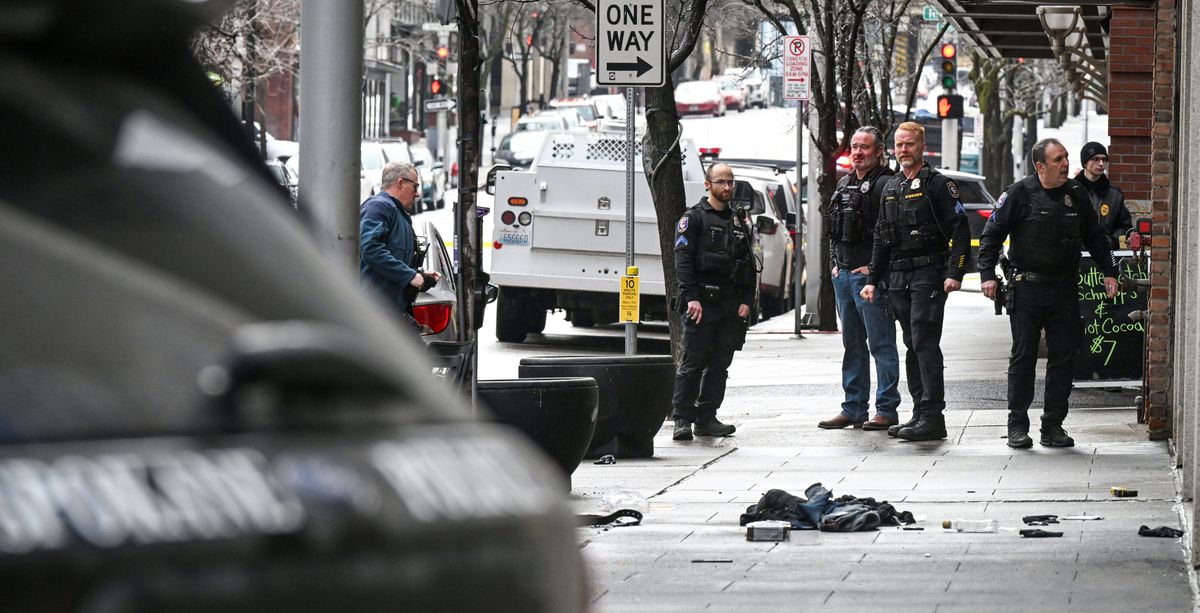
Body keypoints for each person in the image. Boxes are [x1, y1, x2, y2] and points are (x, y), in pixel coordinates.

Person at [978, 138, 1119, 448]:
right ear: (1040, 166)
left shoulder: (1076, 194)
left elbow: (1096, 237)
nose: (1066, 163)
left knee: (1063, 357)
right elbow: (991, 236)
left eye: (1066, 157)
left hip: (1064, 288)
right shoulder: (1019, 193)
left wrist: (1110, 271)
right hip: (1027, 288)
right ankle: (1017, 425)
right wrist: (987, 275)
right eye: (1058, 159)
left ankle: (1053, 425)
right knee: (1024, 357)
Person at [860, 122, 970, 442]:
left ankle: (933, 415)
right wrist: (872, 279)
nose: (903, 150)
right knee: (911, 344)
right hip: (898, 276)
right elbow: (882, 237)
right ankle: (919, 412)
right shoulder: (891, 187)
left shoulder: (938, 185)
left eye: (909, 144)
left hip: (928, 274)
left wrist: (954, 272)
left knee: (924, 341)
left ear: (922, 147)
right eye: (899, 144)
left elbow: (960, 232)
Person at [818, 126, 902, 431]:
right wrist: (834, 265)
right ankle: (853, 408)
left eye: (864, 147)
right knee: (852, 345)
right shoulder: (844, 183)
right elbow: (833, 230)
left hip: (870, 282)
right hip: (844, 277)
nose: (857, 152)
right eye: (854, 147)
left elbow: (895, 235)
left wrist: (875, 271)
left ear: (878, 151)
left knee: (881, 345)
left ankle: (886, 410)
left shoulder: (887, 185)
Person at [671, 163, 757, 441]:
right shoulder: (693, 218)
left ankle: (707, 417)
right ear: (707, 184)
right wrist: (691, 298)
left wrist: (747, 299)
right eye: (721, 182)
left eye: (731, 182)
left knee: (720, 364)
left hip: (730, 305)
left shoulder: (739, 220)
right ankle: (682, 418)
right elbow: (682, 261)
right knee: (693, 363)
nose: (727, 187)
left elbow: (749, 261)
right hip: (702, 303)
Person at [359, 161, 441, 327]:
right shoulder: (378, 207)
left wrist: (419, 275)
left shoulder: (397, 213)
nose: (417, 194)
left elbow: (394, 259)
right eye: (415, 186)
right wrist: (412, 277)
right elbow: (370, 248)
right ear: (400, 182)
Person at [1075, 141, 1132, 250]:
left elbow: (1125, 227)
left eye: (1104, 159)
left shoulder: (1115, 195)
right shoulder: (1071, 190)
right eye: (1096, 159)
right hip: (1075, 256)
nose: (1101, 163)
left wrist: (1111, 242)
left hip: (1105, 255)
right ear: (1085, 163)